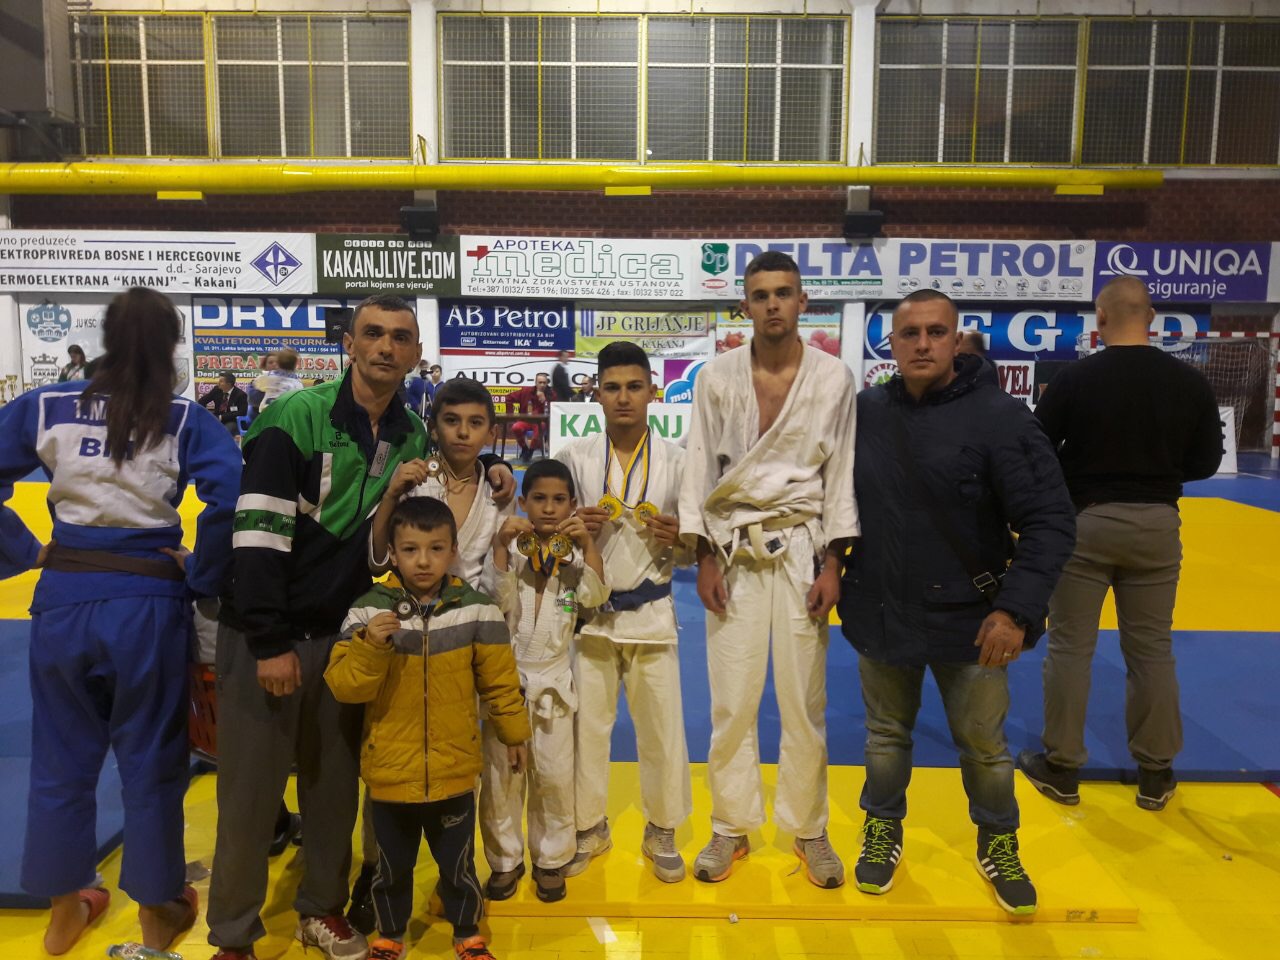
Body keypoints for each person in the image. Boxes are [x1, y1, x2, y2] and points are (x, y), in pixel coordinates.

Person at [205, 294, 515, 960]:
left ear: (415, 353)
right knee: (251, 793)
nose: (385, 347)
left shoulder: (411, 433)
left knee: (334, 788)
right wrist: (269, 641)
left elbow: (452, 478)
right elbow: (256, 535)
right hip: (269, 633)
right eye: (373, 334)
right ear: (349, 343)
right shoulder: (296, 416)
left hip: (349, 638)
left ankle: (320, 909)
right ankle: (232, 934)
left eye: (400, 337)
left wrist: (498, 469)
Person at [0, 287, 240, 955]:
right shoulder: (184, 417)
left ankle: (62, 910)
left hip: (65, 597)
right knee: (152, 762)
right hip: (147, 603)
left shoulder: (45, 404)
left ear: (104, 338)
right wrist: (203, 573)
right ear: (171, 347)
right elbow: (231, 500)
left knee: (60, 760)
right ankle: (159, 913)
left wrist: (25, 550)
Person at [838, 289, 1075, 916]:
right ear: (890, 343)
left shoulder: (1001, 418)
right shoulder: (864, 413)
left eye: (935, 332)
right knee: (885, 737)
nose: (922, 343)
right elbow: (832, 501)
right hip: (882, 608)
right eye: (910, 333)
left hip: (974, 620)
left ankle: (999, 842)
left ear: (956, 338)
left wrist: (1016, 611)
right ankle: (882, 827)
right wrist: (831, 568)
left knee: (985, 747)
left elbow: (1050, 521)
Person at [677, 250, 857, 888]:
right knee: (732, 699)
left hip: (804, 548)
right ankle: (731, 826)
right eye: (761, 295)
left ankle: (809, 828)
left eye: (784, 293)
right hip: (733, 549)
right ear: (745, 306)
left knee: (805, 700)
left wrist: (834, 564)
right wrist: (703, 556)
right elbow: (700, 466)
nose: (773, 304)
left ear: (803, 302)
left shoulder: (834, 377)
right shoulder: (716, 376)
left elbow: (841, 473)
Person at [1017, 276, 1223, 812]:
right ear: (1151, 318)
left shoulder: (1074, 379)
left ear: (1100, 318)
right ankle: (1156, 773)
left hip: (1085, 522)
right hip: (1157, 524)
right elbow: (1206, 462)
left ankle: (1062, 767)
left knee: (1070, 646)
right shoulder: (1190, 382)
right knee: (1151, 648)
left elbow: (1036, 450)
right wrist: (1157, 473)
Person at [326, 496, 531, 960]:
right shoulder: (366, 612)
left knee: (458, 865)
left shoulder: (477, 610)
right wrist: (370, 646)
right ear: (392, 554)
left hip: (454, 770)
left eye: (436, 549)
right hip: (389, 773)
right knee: (391, 868)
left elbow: (501, 681)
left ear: (453, 551)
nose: (423, 561)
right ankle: (389, 935)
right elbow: (344, 686)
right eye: (411, 549)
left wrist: (515, 733)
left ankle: (467, 932)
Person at [556, 341, 693, 883]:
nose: (623, 397)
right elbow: (549, 531)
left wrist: (682, 537)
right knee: (587, 729)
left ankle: (662, 827)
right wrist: (573, 530)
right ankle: (589, 826)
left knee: (662, 730)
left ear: (653, 391)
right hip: (592, 615)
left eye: (634, 386)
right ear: (596, 393)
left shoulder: (679, 460)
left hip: (652, 612)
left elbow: (698, 547)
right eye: (611, 387)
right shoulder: (574, 457)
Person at [481, 459, 609, 904]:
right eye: (539, 498)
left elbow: (595, 596)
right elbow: (495, 601)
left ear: (573, 505)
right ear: (523, 502)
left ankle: (551, 858)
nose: (549, 508)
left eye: (558, 500)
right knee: (501, 778)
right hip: (508, 681)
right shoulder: (513, 551)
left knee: (554, 776)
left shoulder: (572, 556)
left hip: (554, 680)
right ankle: (504, 860)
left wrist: (588, 543)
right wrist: (500, 545)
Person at [506, 372, 553, 463]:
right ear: (535, 383)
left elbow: (554, 407)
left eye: (544, 383)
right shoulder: (526, 391)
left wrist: (545, 400)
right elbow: (508, 398)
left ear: (547, 383)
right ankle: (525, 448)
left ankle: (531, 451)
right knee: (516, 427)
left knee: (541, 427)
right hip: (525, 420)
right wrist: (511, 415)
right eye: (540, 382)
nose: (542, 385)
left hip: (541, 422)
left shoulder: (551, 393)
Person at [250, 347, 305, 412]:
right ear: (295, 365)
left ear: (278, 363)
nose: (273, 364)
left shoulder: (267, 376)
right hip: (285, 413)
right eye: (270, 362)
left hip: (266, 412)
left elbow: (254, 384)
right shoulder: (298, 383)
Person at [200, 373, 250, 438]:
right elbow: (202, 401)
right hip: (216, 418)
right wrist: (205, 413)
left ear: (229, 384)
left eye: (221, 381)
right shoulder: (217, 390)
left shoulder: (240, 395)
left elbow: (242, 412)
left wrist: (222, 417)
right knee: (203, 429)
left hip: (232, 420)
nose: (218, 383)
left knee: (224, 432)